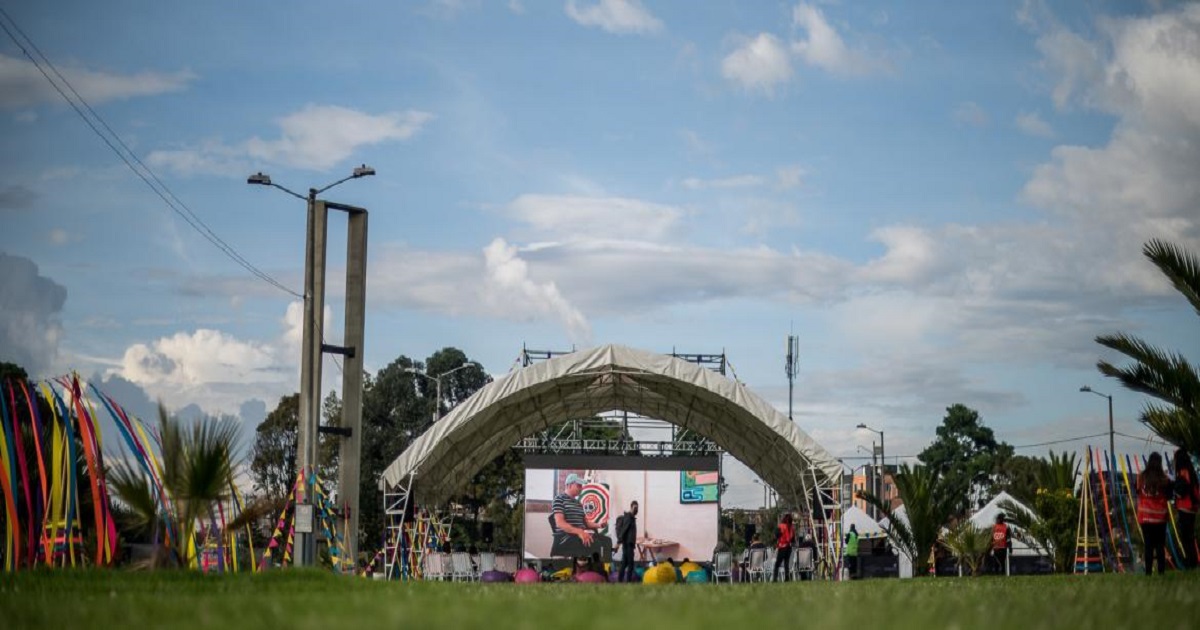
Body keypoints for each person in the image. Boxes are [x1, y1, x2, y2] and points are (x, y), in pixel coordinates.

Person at [551, 473, 613, 559]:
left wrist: (599, 525)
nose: (581, 488)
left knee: (607, 541)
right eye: (578, 485)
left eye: (581, 486)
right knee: (596, 544)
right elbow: (560, 523)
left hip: (580, 534)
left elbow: (586, 523)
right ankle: (592, 569)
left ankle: (605, 568)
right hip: (566, 536)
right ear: (569, 485)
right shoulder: (559, 499)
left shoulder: (578, 503)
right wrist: (579, 532)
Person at [1137, 452, 1171, 575]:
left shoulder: (1141, 477)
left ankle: (1148, 573)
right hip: (1160, 517)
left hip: (1145, 517)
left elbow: (1137, 491)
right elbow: (1169, 495)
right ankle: (1161, 573)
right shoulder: (1164, 478)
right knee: (1160, 546)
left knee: (1148, 546)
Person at [1173, 448, 1198, 570]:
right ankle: (1193, 560)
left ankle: (1190, 561)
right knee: (1190, 536)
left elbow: (1180, 492)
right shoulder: (1192, 472)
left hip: (1184, 507)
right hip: (1192, 508)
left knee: (1186, 537)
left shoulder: (1182, 473)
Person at [615, 500, 639, 582]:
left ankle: (620, 581)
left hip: (628, 544)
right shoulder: (628, 517)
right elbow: (623, 530)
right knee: (631, 564)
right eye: (635, 507)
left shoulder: (631, 518)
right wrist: (618, 543)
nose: (636, 509)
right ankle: (628, 583)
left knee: (624, 564)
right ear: (631, 507)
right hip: (628, 544)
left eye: (637, 508)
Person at [773, 513, 794, 582]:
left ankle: (775, 579)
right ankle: (787, 578)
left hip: (782, 546)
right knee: (786, 563)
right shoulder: (791, 527)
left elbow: (776, 535)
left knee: (777, 564)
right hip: (789, 547)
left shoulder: (781, 526)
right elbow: (793, 539)